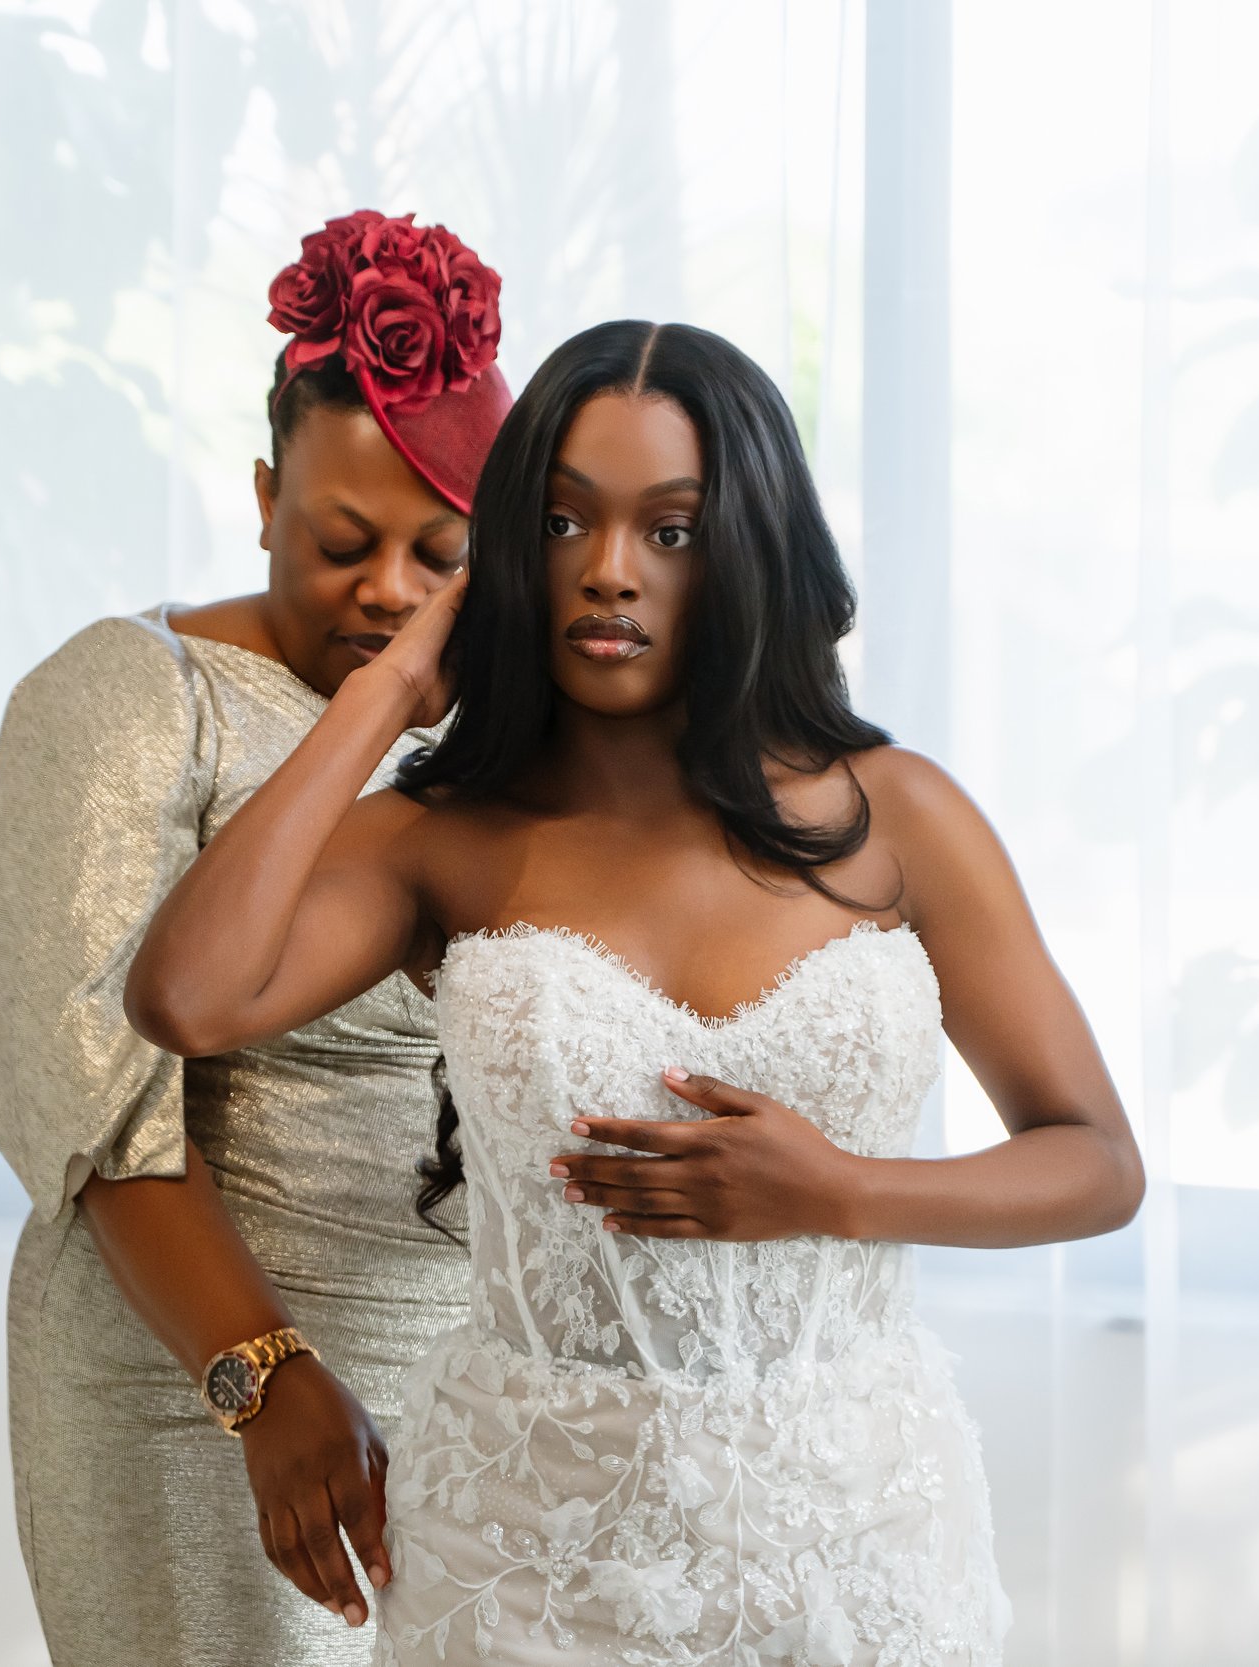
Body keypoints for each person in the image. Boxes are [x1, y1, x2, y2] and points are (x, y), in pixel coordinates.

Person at [124, 320, 1146, 1664]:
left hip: (859, 1542)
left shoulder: (896, 817)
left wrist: (841, 1191)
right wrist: (386, 695)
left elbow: (1095, 1163)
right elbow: (184, 997)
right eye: (559, 522)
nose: (607, 572)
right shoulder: (448, 835)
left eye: (671, 529)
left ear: (748, 550)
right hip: (526, 1552)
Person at [0, 210, 513, 1667]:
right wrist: (263, 1380)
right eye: (341, 542)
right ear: (264, 494)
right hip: (190, 1370)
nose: (389, 589)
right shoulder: (133, 697)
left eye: (437, 555)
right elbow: (89, 1093)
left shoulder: (503, 735)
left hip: (460, 1370)